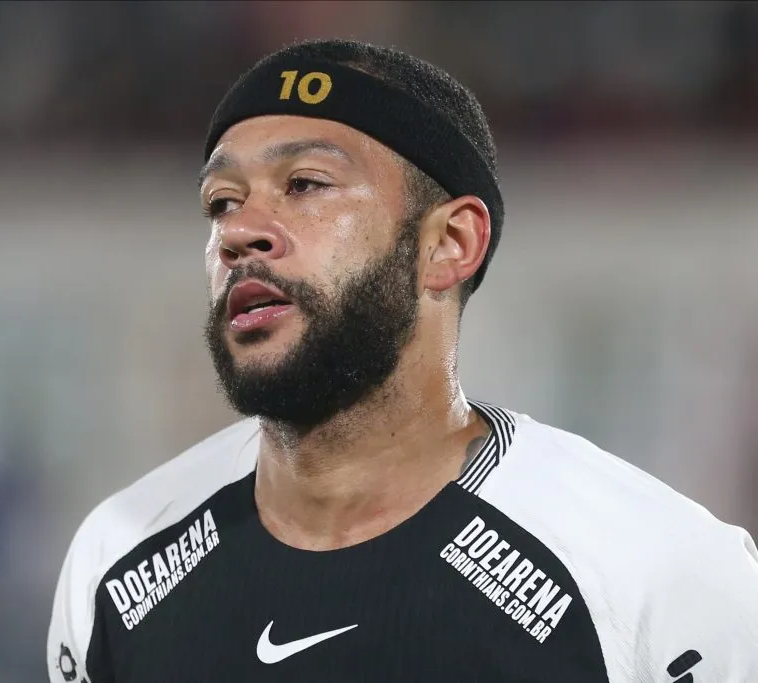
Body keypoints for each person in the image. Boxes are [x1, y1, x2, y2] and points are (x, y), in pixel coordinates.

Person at [47, 39, 758, 682]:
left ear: (450, 243)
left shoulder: (656, 572)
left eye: (306, 185)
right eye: (222, 201)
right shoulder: (118, 559)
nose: (240, 233)